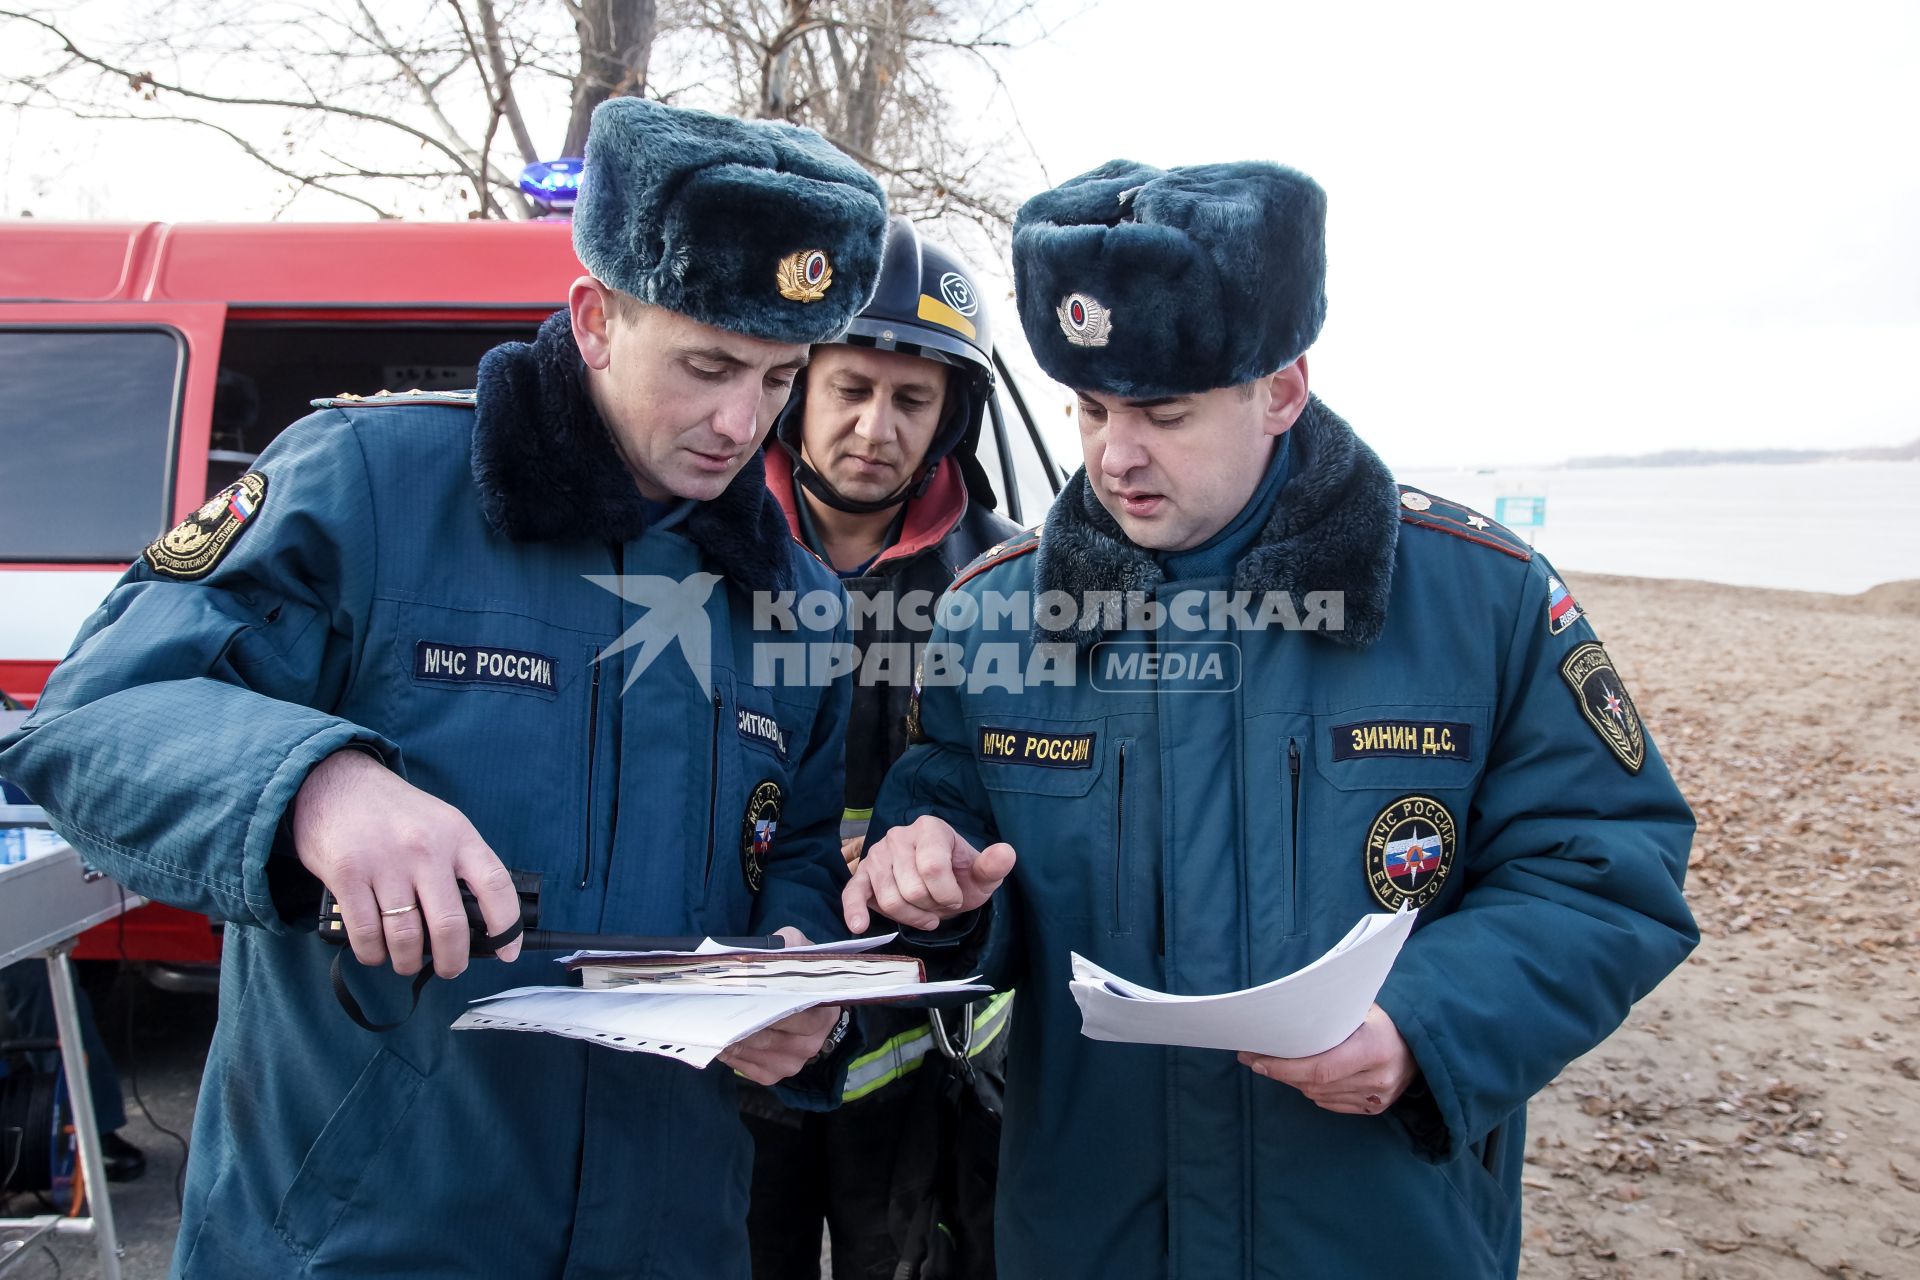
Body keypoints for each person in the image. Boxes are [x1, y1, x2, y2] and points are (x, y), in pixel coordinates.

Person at [0, 97, 889, 1279]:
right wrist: (317, 784)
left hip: (668, 1238)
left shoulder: (796, 596)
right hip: (360, 1238)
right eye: (710, 364)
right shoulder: (371, 484)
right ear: (595, 319)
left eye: (781, 378)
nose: (743, 422)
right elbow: (90, 716)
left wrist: (802, 982)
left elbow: (802, 855)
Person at [843, 159, 1698, 1278]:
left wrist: (1425, 1031)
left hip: (1380, 1235)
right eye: (1090, 410)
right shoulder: (986, 613)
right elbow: (947, 822)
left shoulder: (1482, 594)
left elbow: (1605, 866)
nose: (1115, 454)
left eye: (1164, 412)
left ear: (1282, 387)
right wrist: (930, 879)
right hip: (1089, 1235)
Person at [744, 217, 1018, 1280]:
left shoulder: (1004, 586)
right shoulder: (701, 553)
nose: (875, 425)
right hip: (741, 1018)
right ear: (797, 385)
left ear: (954, 416)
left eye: (912, 399)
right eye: (850, 387)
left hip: (928, 1059)